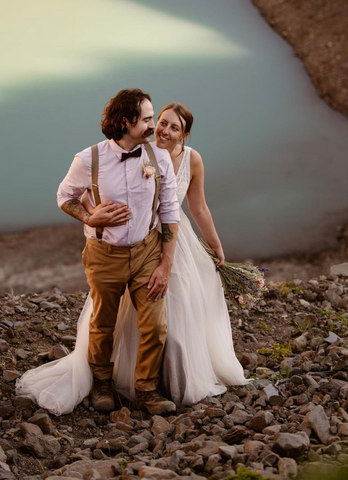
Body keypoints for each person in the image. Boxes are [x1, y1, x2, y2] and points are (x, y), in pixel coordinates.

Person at [16, 101, 248, 415]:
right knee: (110, 320)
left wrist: (215, 246)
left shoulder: (186, 160)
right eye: (159, 122)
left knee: (168, 320)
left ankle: (157, 385)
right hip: (115, 250)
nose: (162, 129)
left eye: (172, 126)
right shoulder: (136, 150)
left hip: (164, 244)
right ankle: (107, 380)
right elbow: (85, 193)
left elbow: (196, 208)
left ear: (185, 135)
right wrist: (92, 216)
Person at [17, 88, 180, 415]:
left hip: (147, 251)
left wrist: (165, 264)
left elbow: (170, 211)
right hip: (104, 254)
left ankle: (146, 389)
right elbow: (64, 196)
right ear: (126, 122)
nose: (153, 126)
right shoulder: (88, 159)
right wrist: (90, 216)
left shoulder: (159, 157)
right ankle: (102, 382)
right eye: (147, 119)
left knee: (156, 325)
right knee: (103, 322)